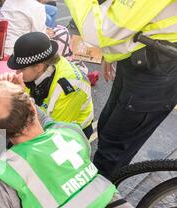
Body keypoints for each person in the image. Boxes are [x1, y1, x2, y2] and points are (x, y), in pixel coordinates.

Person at [64, 0, 177, 178]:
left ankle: (97, 201)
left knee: (112, 152)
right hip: (141, 58)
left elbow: (99, 31)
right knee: (107, 128)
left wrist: (109, 42)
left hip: (156, 71)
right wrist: (111, 52)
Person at [0, 32, 95, 138]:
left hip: (71, 133)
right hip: (47, 116)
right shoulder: (43, 67)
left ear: (39, 67)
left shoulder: (68, 88)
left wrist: (22, 96)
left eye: (22, 68)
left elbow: (52, 132)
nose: (17, 73)